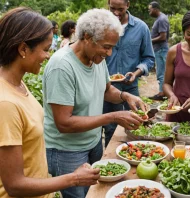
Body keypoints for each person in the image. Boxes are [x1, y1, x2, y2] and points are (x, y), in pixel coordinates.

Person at [43, 9, 146, 198]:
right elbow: (64, 123)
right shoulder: (62, 66)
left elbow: (106, 90)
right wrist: (113, 116)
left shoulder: (96, 59)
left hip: (93, 142)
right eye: (106, 47)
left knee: (97, 192)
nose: (109, 53)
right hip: (67, 151)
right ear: (87, 37)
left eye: (113, 47)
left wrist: (125, 96)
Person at [0, 7, 100, 198]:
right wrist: (75, 178)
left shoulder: (18, 84)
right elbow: (14, 185)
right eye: (45, 49)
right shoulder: (6, 104)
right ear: (23, 49)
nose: (48, 56)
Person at [103, 0, 155, 147]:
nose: (116, 13)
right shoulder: (102, 26)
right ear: (108, 3)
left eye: (120, 9)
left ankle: (132, 156)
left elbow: (149, 58)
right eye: (112, 8)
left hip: (130, 88)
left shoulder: (141, 28)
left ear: (128, 5)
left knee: (135, 125)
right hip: (105, 88)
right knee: (110, 128)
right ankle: (111, 162)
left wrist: (136, 72)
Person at [147, 1, 169, 101]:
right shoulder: (159, 19)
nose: (149, 11)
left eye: (150, 9)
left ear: (155, 9)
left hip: (161, 50)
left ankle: (162, 93)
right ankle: (163, 92)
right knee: (161, 72)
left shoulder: (162, 19)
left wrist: (149, 40)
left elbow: (163, 37)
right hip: (159, 50)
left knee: (162, 72)